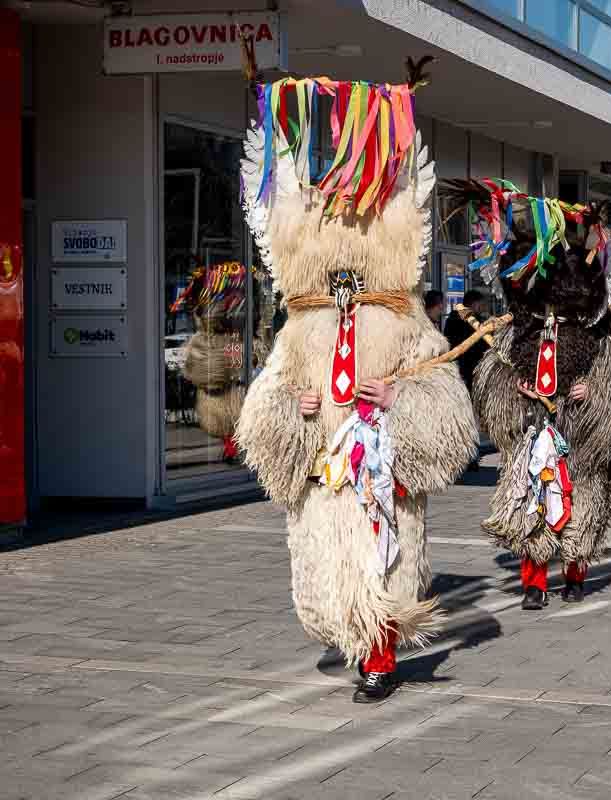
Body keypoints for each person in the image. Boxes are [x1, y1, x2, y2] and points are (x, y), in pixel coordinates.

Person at [235, 76, 478, 704]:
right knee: (329, 578)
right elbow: (265, 399)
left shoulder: (405, 323)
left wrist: (401, 403)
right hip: (324, 473)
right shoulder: (300, 326)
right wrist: (294, 409)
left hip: (381, 475)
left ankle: (380, 657)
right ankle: (357, 640)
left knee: (385, 566)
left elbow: (449, 404)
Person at [464, 185, 611, 609]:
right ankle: (534, 582)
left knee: (582, 506)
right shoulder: (518, 330)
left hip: (581, 438)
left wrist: (595, 393)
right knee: (531, 504)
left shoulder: (604, 335)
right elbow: (492, 378)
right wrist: (515, 389)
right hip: (534, 435)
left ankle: (576, 573)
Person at [443, 290, 491, 471]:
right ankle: (468, 455)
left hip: (458, 373)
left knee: (462, 418)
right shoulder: (472, 321)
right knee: (468, 418)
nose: (482, 308)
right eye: (481, 305)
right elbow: (483, 346)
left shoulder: (452, 320)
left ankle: (465, 455)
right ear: (475, 304)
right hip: (470, 374)